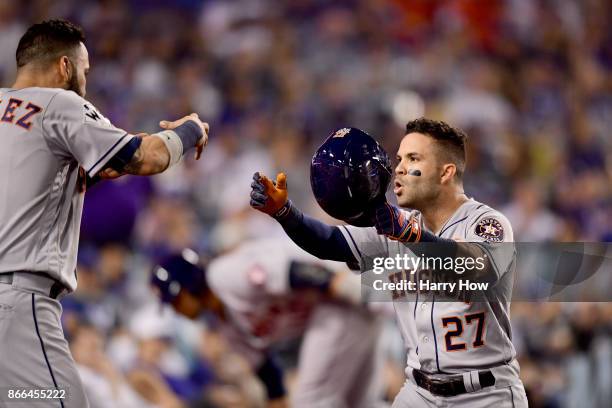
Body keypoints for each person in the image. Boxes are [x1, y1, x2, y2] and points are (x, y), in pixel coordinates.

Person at [0, 19, 208, 407]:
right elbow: (149, 157)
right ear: (64, 66)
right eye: (84, 69)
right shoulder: (57, 102)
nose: (85, 78)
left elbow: (32, 186)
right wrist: (190, 130)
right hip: (17, 302)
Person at [250, 118, 529, 407]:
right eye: (398, 159)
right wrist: (285, 213)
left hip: (485, 394)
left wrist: (412, 236)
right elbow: (329, 242)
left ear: (446, 172)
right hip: (419, 392)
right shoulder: (399, 227)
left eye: (413, 158)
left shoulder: (486, 223)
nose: (399, 168)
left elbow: (476, 270)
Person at [151, 238, 383, 408]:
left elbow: (293, 272)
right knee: (361, 404)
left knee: (310, 400)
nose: (176, 310)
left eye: (175, 300)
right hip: (337, 306)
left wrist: (349, 286)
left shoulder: (222, 275)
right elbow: (269, 376)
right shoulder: (225, 325)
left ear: (189, 285)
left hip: (342, 290)